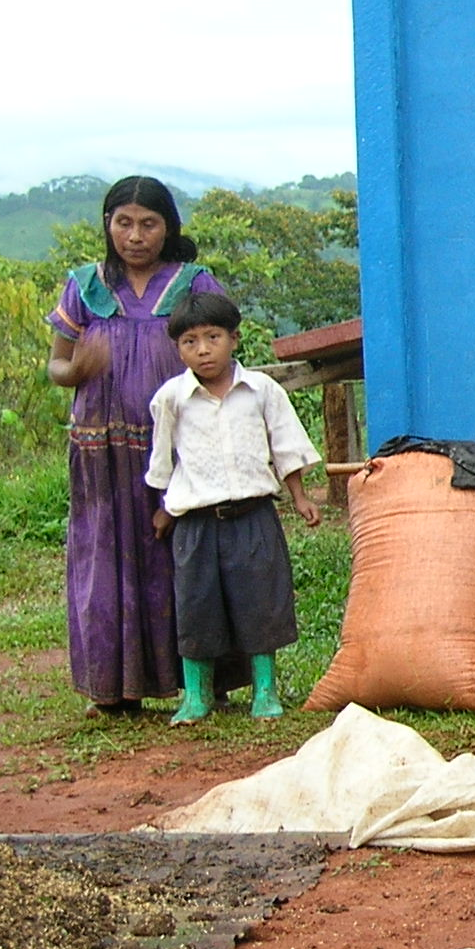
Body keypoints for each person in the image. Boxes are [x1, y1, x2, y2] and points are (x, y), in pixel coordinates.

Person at [45, 176, 229, 713]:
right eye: (123, 222)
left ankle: (202, 682)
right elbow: (56, 364)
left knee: (191, 557)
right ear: (107, 225)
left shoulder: (194, 285)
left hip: (180, 448)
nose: (135, 235)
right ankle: (113, 688)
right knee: (107, 558)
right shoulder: (85, 286)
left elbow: (223, 355)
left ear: (168, 226)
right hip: (102, 452)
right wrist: (75, 369)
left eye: (149, 223)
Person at [144, 292, 322, 723]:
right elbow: (163, 457)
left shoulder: (262, 390)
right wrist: (165, 506)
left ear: (234, 339)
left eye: (213, 337)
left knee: (260, 602)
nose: (203, 350)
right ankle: (196, 696)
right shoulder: (171, 398)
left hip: (253, 515)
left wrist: (300, 496)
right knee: (196, 606)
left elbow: (285, 445)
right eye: (190, 342)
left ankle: (265, 691)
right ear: (178, 348)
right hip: (196, 522)